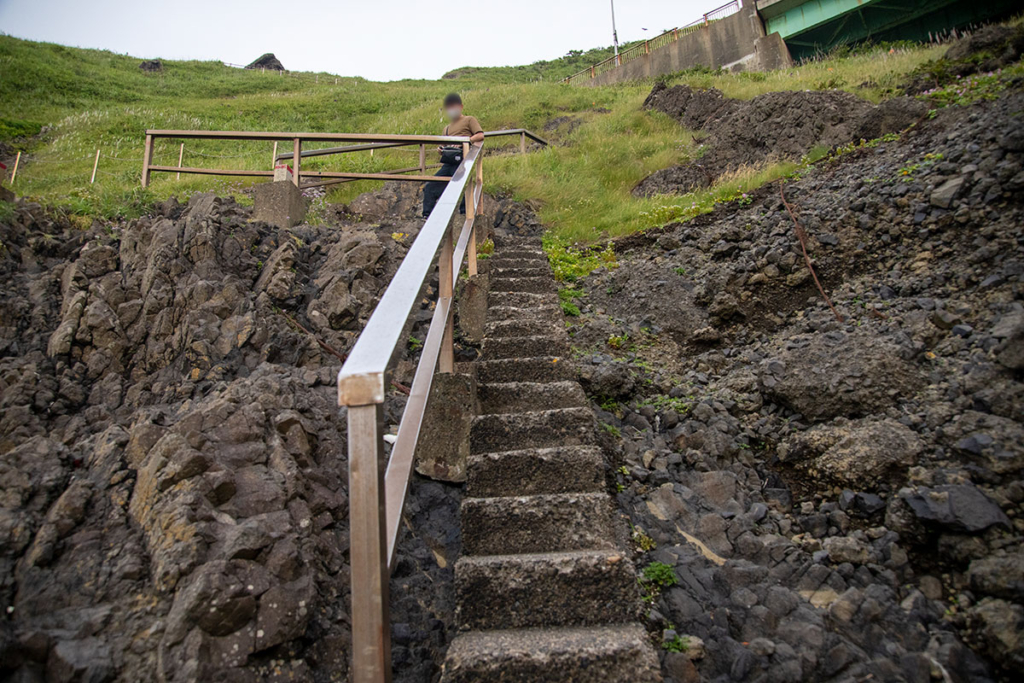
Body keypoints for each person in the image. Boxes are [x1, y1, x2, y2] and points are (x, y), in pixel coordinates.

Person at [422, 93, 484, 218]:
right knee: (430, 186)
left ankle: (464, 213)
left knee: (466, 184)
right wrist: (441, 149)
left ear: (461, 107)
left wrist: (466, 142)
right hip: (448, 162)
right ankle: (427, 215)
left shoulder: (469, 120)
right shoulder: (447, 128)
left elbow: (480, 135)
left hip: (463, 160)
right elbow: (443, 144)